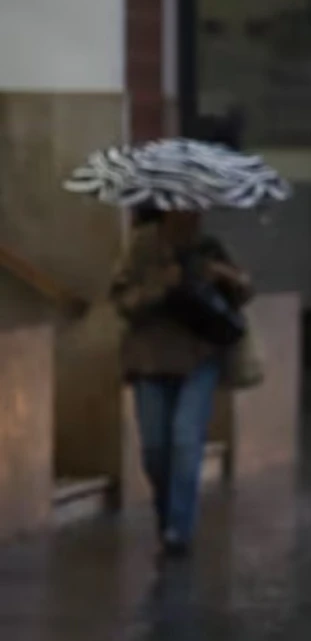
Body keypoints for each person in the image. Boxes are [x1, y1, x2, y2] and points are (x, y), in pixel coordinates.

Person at [110, 206, 251, 559]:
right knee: (156, 450)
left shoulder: (210, 247)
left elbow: (244, 293)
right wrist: (161, 286)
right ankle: (167, 517)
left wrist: (231, 277)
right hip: (150, 361)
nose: (193, 215)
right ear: (167, 209)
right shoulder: (142, 246)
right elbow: (122, 302)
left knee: (187, 442)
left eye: (198, 208)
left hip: (199, 359)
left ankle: (178, 530)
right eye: (184, 207)